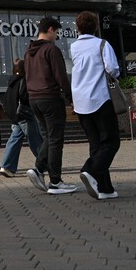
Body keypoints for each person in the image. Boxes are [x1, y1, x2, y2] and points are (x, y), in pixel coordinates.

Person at [69, 11, 121, 200]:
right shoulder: (102, 44)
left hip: (80, 101)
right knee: (112, 141)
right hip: (100, 98)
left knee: (96, 143)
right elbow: (113, 69)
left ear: (78, 27)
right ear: (96, 26)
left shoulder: (73, 47)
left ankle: (104, 187)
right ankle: (90, 170)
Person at [25, 16, 79, 195]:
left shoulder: (28, 52)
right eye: (56, 32)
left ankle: (39, 169)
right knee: (56, 139)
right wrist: (71, 97)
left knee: (49, 136)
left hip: (34, 99)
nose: (57, 36)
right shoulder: (51, 50)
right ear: (49, 30)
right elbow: (61, 76)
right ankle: (55, 181)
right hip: (50, 98)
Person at [0, 58, 43, 177]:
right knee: (36, 139)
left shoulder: (11, 81)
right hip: (25, 114)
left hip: (15, 115)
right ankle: (46, 163)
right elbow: (25, 97)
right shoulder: (24, 80)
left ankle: (6, 166)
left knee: (15, 139)